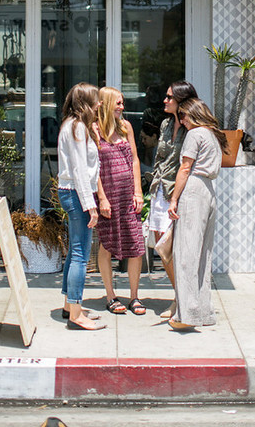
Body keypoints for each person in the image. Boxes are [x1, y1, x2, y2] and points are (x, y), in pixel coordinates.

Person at [167, 97, 227, 330]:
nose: (181, 121)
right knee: (203, 254)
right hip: (210, 190)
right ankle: (202, 310)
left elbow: (185, 168)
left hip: (194, 189)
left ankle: (187, 314)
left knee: (186, 254)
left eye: (183, 116)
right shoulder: (213, 134)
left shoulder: (195, 135)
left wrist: (174, 198)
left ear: (192, 114)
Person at [57, 82, 105, 331]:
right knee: (80, 254)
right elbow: (79, 170)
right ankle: (76, 313)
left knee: (75, 250)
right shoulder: (77, 127)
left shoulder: (73, 125)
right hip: (76, 194)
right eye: (96, 99)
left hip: (71, 193)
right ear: (86, 103)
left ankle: (69, 305)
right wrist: (91, 205)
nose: (99, 104)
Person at [148, 79, 198, 318]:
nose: (165, 101)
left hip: (180, 195)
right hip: (160, 191)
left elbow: (189, 166)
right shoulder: (166, 124)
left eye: (170, 97)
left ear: (182, 101)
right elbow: (160, 158)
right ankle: (179, 296)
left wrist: (178, 195)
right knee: (163, 248)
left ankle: (184, 300)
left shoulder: (193, 129)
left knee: (180, 249)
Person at [95, 87, 146, 315]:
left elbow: (135, 159)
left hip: (128, 195)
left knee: (136, 246)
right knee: (107, 245)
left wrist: (138, 192)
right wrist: (102, 198)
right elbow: (92, 168)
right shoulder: (94, 130)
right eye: (118, 103)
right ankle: (111, 295)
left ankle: (134, 297)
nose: (122, 107)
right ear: (106, 104)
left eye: (122, 102)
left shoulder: (126, 127)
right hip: (108, 196)